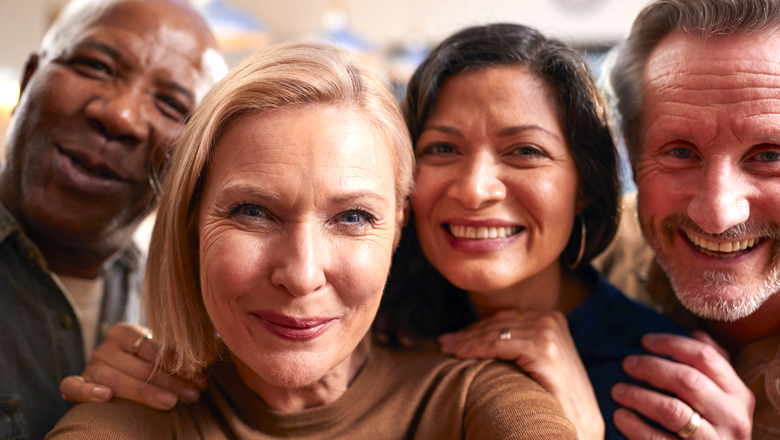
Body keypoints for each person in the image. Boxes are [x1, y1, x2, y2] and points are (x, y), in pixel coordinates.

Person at [46, 42, 577, 440]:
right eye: (253, 212)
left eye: (352, 217)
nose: (301, 273)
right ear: (191, 223)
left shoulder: (469, 400)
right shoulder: (132, 410)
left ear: (397, 232)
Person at [374, 23, 685, 440]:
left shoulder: (659, 377)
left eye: (525, 151)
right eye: (443, 149)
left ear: (586, 188)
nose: (474, 190)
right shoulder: (370, 327)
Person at [0, 0, 226, 438]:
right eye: (97, 67)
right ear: (29, 80)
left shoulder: (187, 321)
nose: (120, 116)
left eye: (169, 104)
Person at [605, 0, 780, 438]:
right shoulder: (584, 257)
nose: (718, 215)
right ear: (631, 153)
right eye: (681, 152)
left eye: (770, 156)